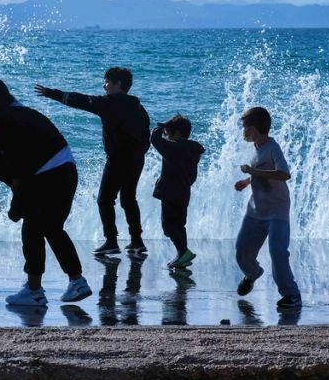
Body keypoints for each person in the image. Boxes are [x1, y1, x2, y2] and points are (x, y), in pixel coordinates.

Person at [0, 78, 92, 306]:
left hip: (50, 176)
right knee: (49, 229)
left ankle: (36, 290)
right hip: (64, 171)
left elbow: (9, 162)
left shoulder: (4, 120)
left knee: (35, 230)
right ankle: (72, 281)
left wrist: (9, 200)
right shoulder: (19, 113)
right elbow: (16, 150)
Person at [35, 67, 150, 256]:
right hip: (137, 159)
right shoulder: (138, 107)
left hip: (118, 158)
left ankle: (111, 241)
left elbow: (79, 100)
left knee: (105, 199)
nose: (104, 86)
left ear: (117, 84)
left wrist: (50, 93)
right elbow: (146, 134)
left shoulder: (110, 103)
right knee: (128, 199)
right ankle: (137, 241)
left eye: (106, 82)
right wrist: (139, 153)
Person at [233, 106, 302, 310]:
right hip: (256, 210)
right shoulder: (256, 147)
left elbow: (284, 174)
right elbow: (262, 172)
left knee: (278, 252)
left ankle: (292, 294)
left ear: (253, 129)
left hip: (277, 210)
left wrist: (253, 171)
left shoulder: (273, 147)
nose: (243, 132)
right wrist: (248, 181)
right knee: (242, 251)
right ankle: (253, 273)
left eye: (245, 127)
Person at [150, 114, 206, 269]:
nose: (166, 136)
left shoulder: (173, 148)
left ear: (178, 134)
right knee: (179, 225)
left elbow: (154, 138)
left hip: (170, 192)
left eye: (168, 133)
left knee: (168, 227)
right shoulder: (193, 149)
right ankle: (182, 255)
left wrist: (162, 125)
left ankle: (183, 251)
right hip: (184, 192)